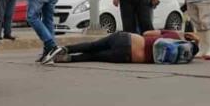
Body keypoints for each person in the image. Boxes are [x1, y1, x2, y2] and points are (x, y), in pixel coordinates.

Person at [47, 29, 199, 65]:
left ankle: (66, 48)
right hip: (126, 57)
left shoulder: (173, 36)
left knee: (93, 46)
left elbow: (146, 33)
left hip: (125, 39)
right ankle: (67, 59)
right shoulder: (177, 59)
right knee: (94, 56)